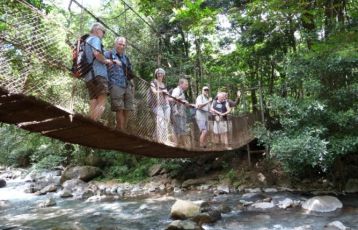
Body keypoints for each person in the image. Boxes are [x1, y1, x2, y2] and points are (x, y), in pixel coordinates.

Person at [83, 22, 113, 121]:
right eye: (103, 31)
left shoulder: (86, 41)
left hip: (88, 76)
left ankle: (89, 124)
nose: (103, 34)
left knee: (94, 101)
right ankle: (92, 124)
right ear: (96, 30)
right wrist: (106, 61)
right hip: (98, 75)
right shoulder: (95, 39)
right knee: (102, 101)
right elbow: (97, 53)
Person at [104, 37, 134, 131]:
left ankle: (121, 129)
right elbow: (101, 66)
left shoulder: (126, 58)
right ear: (115, 43)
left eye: (123, 45)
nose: (122, 46)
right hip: (115, 83)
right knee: (119, 108)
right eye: (120, 44)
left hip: (126, 85)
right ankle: (120, 130)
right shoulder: (108, 54)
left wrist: (132, 85)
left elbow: (130, 72)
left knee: (127, 108)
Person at [149, 68, 171, 144]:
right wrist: (162, 91)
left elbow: (167, 96)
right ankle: (160, 140)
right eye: (158, 73)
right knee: (160, 122)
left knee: (166, 121)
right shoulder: (153, 82)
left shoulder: (164, 84)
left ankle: (159, 138)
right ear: (156, 74)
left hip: (166, 104)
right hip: (157, 105)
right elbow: (154, 92)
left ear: (163, 75)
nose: (160, 74)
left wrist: (174, 99)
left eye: (161, 73)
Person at [171, 78, 190, 147]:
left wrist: (186, 102)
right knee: (177, 129)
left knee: (181, 129)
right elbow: (174, 98)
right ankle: (177, 144)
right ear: (181, 84)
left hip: (181, 113)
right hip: (177, 112)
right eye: (186, 84)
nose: (187, 86)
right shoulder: (177, 90)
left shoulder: (181, 91)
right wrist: (183, 100)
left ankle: (179, 144)